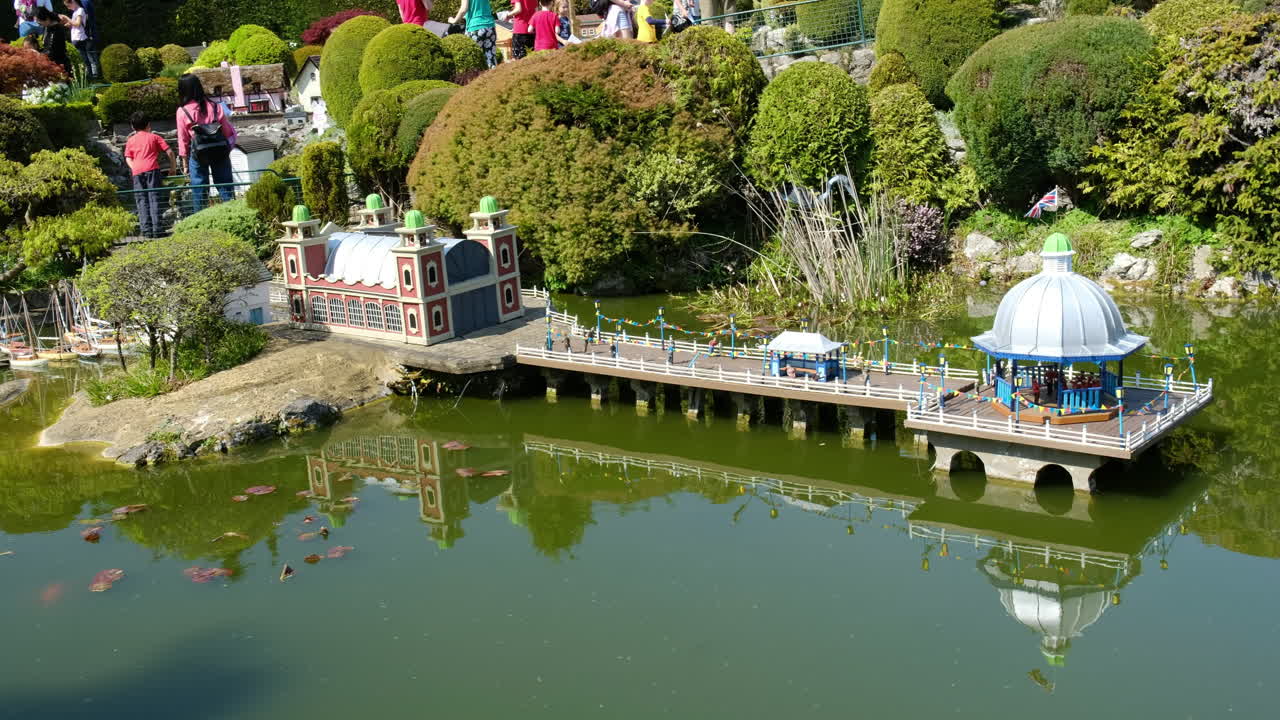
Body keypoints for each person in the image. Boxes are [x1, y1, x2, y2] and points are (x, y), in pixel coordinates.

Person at [175, 74, 237, 213]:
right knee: (225, 185)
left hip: (198, 151)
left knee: (199, 188)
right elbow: (227, 132)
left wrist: (185, 163)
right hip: (219, 149)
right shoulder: (215, 106)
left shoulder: (182, 111)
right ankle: (231, 215)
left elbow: (183, 139)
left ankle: (201, 219)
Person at [123, 111, 176, 238]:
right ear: (148, 125)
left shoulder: (130, 140)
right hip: (152, 169)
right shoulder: (154, 137)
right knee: (154, 198)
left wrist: (134, 167)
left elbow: (128, 158)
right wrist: (173, 167)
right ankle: (157, 229)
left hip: (137, 172)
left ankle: (146, 230)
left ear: (132, 126)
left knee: (141, 200)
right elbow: (170, 152)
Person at [449, 0, 497, 69]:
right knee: (491, 59)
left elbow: (463, 9)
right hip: (489, 26)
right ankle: (494, 77)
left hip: (475, 27)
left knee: (473, 59)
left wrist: (453, 20)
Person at [35, 7, 69, 74]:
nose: (39, 25)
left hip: (59, 65)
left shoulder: (57, 30)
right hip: (50, 62)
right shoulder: (47, 27)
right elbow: (46, 46)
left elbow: (52, 50)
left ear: (47, 19)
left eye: (40, 23)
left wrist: (39, 55)